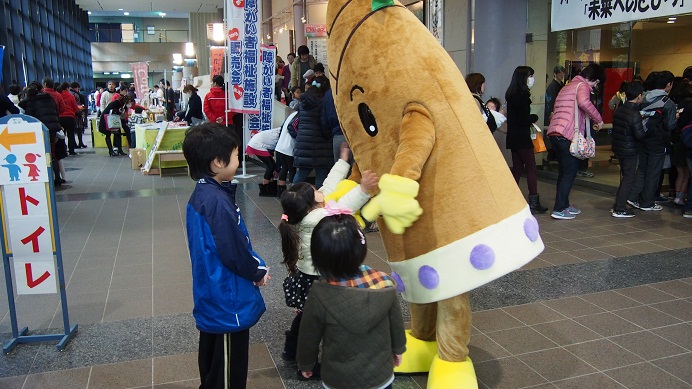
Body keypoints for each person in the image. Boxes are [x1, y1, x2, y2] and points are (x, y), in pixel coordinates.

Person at [182, 123, 269, 389]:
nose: (239, 160)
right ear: (218, 162)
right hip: (227, 301)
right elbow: (233, 250)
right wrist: (258, 271)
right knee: (229, 372)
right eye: (235, 155)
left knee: (213, 362)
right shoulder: (217, 202)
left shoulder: (204, 194)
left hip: (212, 294)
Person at [278, 147, 377, 364]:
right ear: (313, 204)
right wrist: (363, 189)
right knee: (324, 321)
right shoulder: (320, 218)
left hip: (307, 277)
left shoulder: (308, 212)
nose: (321, 189)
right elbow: (344, 205)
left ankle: (292, 351)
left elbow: (329, 186)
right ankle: (314, 361)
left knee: (305, 318)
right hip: (320, 279)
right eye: (316, 190)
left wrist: (342, 162)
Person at [297, 213, 406, 389]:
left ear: (318, 257)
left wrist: (306, 363)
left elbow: (308, 335)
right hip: (379, 375)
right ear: (360, 249)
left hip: (337, 378)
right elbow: (396, 323)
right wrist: (398, 349)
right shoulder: (384, 283)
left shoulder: (319, 293)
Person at [547, 63, 605, 220]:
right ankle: (559, 208)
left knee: (565, 171)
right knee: (569, 172)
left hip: (555, 132)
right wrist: (598, 119)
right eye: (596, 82)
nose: (595, 86)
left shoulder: (568, 85)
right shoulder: (583, 85)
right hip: (567, 133)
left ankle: (564, 204)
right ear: (594, 79)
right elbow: (584, 103)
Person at [627, 70, 678, 212]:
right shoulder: (668, 103)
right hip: (658, 141)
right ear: (668, 85)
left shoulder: (643, 98)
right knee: (654, 172)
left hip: (642, 138)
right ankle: (647, 202)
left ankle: (632, 196)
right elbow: (670, 125)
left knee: (642, 169)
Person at [505, 65, 548, 214]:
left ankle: (511, 200)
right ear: (524, 78)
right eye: (530, 76)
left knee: (517, 169)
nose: (532, 79)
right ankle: (533, 201)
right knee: (531, 168)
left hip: (513, 137)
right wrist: (534, 117)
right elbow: (523, 119)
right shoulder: (522, 96)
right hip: (522, 137)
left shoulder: (510, 94)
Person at [18, 82, 66, 186]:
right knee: (52, 155)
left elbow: (28, 117)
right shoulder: (49, 98)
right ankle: (57, 178)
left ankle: (44, 179)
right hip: (53, 130)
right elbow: (57, 111)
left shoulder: (30, 102)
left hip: (39, 131)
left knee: (39, 155)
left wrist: (25, 99)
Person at [611, 82, 646, 218]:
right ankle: (620, 208)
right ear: (638, 96)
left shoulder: (620, 109)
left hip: (619, 148)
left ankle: (618, 205)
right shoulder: (634, 113)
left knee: (624, 177)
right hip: (630, 149)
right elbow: (639, 135)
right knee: (628, 178)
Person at [292, 76, 334, 188]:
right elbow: (324, 123)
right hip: (320, 143)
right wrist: (329, 136)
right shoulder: (322, 102)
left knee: (302, 172)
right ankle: (318, 200)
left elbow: (298, 121)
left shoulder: (303, 102)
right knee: (321, 172)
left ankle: (291, 196)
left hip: (303, 141)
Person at [245, 126, 281, 196]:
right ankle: (265, 188)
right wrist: (277, 168)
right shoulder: (281, 134)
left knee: (271, 165)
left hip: (256, 143)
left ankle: (268, 185)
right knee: (271, 166)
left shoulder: (278, 131)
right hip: (257, 145)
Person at [274, 111, 299, 197]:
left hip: (281, 145)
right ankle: (291, 193)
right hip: (289, 145)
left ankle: (280, 191)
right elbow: (291, 127)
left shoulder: (291, 114)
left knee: (284, 167)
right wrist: (298, 136)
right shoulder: (298, 115)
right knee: (292, 169)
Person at [57, 82, 80, 155]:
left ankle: (63, 150)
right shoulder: (71, 96)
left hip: (60, 118)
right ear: (67, 88)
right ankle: (71, 150)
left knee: (61, 135)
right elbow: (75, 107)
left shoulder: (58, 96)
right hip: (70, 117)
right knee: (70, 135)